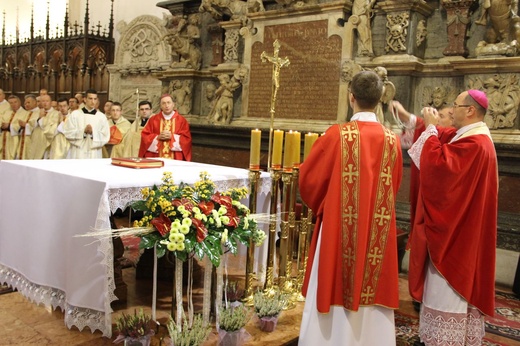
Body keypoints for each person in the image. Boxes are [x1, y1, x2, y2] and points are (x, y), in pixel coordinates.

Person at [298, 70, 403, 345]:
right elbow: (394, 186)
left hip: (338, 232)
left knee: (333, 282)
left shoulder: (337, 135)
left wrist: (327, 207)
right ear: (380, 99)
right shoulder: (393, 141)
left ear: (351, 97)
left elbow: (309, 181)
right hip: (375, 238)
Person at [407, 90, 498, 345]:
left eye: (455, 106)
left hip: (454, 238)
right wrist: (419, 123)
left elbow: (439, 170)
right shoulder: (473, 137)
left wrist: (432, 129)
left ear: (470, 110)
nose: (452, 109)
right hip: (466, 231)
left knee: (446, 295)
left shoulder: (476, 144)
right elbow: (445, 136)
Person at [139, 94, 192, 161]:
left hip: (175, 158)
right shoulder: (153, 120)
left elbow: (187, 140)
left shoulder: (181, 121)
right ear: (160, 106)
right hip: (156, 158)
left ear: (173, 104)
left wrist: (172, 137)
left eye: (168, 102)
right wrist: (157, 137)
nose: (166, 105)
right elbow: (145, 137)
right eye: (163, 103)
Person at [63, 89, 110, 159]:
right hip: (78, 152)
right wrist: (83, 132)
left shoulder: (101, 117)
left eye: (95, 99)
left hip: (94, 153)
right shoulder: (75, 114)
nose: (93, 101)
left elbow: (106, 136)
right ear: (85, 99)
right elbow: (68, 132)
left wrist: (93, 133)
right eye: (90, 98)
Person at [27, 94, 60, 159]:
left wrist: (41, 119)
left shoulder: (56, 113)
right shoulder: (37, 112)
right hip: (35, 139)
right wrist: (39, 117)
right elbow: (31, 123)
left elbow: (51, 127)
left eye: (47, 101)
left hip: (46, 140)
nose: (45, 103)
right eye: (43, 101)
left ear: (51, 102)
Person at [1, 95, 29, 160]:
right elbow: (1, 121)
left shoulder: (25, 113)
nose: (13, 104)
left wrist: (9, 126)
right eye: (11, 103)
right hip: (3, 139)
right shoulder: (6, 112)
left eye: (15, 102)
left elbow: (21, 127)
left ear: (19, 102)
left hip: (15, 139)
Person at [15, 94, 39, 160]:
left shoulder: (39, 112)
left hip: (32, 140)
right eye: (25, 103)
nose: (26, 104)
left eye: (28, 102)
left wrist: (26, 125)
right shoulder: (25, 113)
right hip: (22, 139)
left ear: (34, 102)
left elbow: (36, 127)